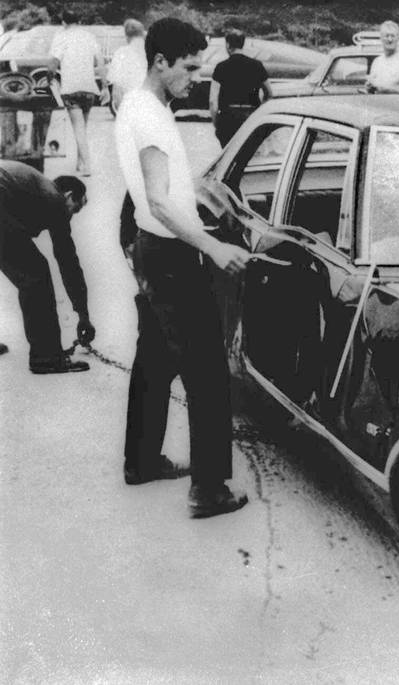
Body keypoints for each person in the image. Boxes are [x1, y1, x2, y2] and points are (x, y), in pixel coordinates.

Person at [115, 17, 250, 517]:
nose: (197, 78)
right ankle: (209, 490)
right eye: (190, 68)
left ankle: (142, 461)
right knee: (208, 373)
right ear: (161, 62)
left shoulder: (137, 103)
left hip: (152, 248)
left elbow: (161, 193)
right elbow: (157, 198)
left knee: (154, 357)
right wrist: (212, 249)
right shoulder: (150, 116)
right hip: (170, 255)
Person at [0, 161, 94, 374]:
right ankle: (46, 358)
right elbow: (68, 261)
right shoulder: (54, 200)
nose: (71, 216)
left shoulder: (38, 190)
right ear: (69, 196)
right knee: (36, 275)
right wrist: (83, 314)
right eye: (76, 209)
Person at [49, 10, 101, 176]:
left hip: (71, 89)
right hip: (90, 89)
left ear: (64, 23)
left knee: (78, 130)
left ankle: (87, 166)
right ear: (78, 21)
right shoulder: (89, 36)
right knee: (82, 129)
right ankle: (79, 163)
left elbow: (53, 64)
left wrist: (50, 78)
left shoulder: (61, 36)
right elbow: (100, 61)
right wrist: (105, 86)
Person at [209, 29, 272, 147]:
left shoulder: (221, 67)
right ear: (243, 44)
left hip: (228, 119)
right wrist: (260, 112)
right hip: (250, 117)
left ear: (228, 45)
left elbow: (213, 101)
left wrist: (216, 123)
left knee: (227, 157)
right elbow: (269, 93)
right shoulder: (257, 65)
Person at [366, 21, 399, 94]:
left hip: (398, 104)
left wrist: (391, 91)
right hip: (377, 104)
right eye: (386, 36)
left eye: (393, 36)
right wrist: (369, 87)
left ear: (398, 38)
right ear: (381, 38)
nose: (390, 39)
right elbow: (374, 89)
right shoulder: (377, 61)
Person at [105, 19, 147, 112]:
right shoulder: (153, 53)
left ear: (127, 36)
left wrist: (119, 109)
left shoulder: (121, 53)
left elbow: (117, 87)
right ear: (142, 33)